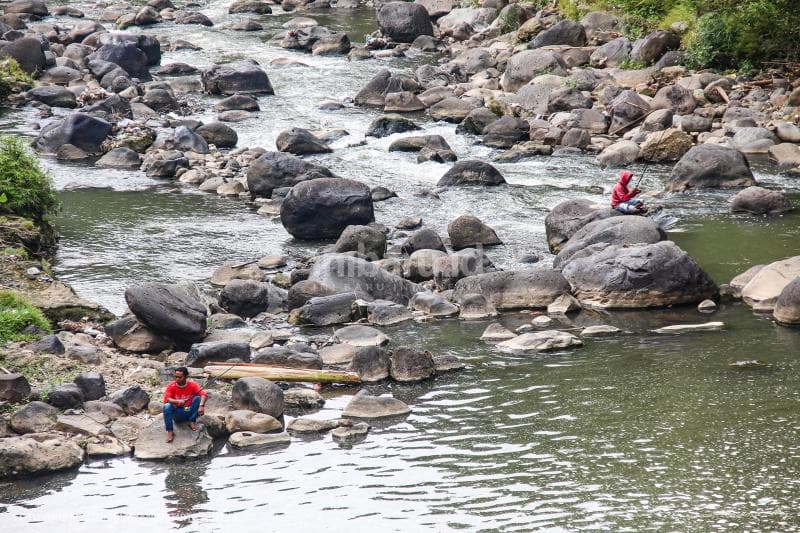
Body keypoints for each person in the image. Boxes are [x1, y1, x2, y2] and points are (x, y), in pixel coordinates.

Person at [163, 367, 207, 443]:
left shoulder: (192, 385)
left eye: (180, 377)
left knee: (198, 398)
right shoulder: (171, 386)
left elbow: (203, 394)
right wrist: (177, 401)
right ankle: (170, 431)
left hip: (187, 409)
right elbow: (168, 399)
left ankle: (192, 421)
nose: (177, 379)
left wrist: (201, 406)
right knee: (167, 406)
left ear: (186, 377)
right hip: (177, 412)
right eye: (176, 377)